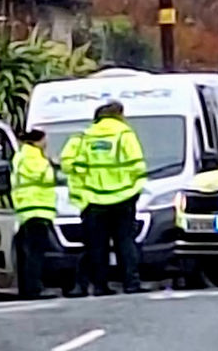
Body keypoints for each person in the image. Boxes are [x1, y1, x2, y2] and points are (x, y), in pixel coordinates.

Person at [64, 100, 149, 295]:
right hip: (123, 196)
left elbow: (74, 166)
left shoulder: (86, 136)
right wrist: (135, 189)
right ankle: (131, 283)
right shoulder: (124, 134)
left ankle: (100, 286)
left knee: (97, 246)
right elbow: (137, 165)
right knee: (125, 243)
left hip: (94, 199)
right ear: (119, 114)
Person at [11, 129, 58, 299]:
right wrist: (51, 166)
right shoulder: (34, 158)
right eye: (44, 140)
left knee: (28, 252)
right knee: (36, 253)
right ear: (37, 141)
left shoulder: (21, 156)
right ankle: (34, 289)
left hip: (26, 209)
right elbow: (40, 177)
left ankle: (27, 288)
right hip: (37, 209)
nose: (46, 144)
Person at [60, 133, 91, 298]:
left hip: (88, 202)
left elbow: (66, 164)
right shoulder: (122, 135)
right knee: (94, 245)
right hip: (99, 201)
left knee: (92, 246)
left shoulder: (79, 141)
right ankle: (91, 284)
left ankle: (88, 285)